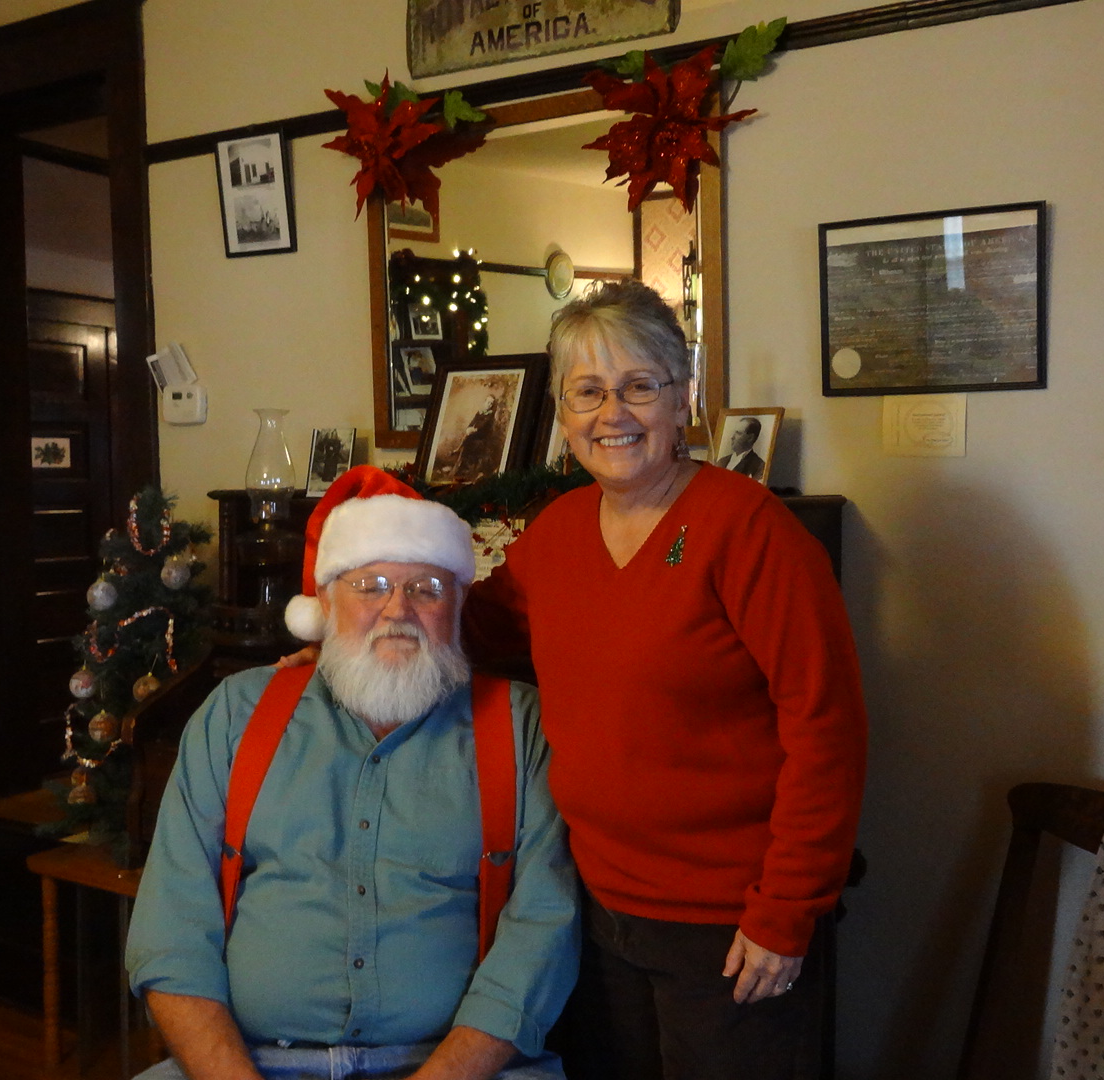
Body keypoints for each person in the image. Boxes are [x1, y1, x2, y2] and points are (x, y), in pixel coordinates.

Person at [466, 281, 868, 1080]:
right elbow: (476, 627)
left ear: (681, 398)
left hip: (730, 927)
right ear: (563, 412)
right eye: (588, 391)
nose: (612, 413)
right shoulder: (558, 533)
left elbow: (828, 729)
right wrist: (359, 631)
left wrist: (784, 914)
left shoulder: (750, 533)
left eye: (638, 387)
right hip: (594, 910)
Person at [127, 466, 581, 1080]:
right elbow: (171, 933)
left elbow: (542, 936)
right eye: (370, 585)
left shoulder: (519, 725)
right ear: (325, 602)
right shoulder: (237, 715)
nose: (398, 608)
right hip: (250, 1064)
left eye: (426, 588)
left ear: (459, 605)